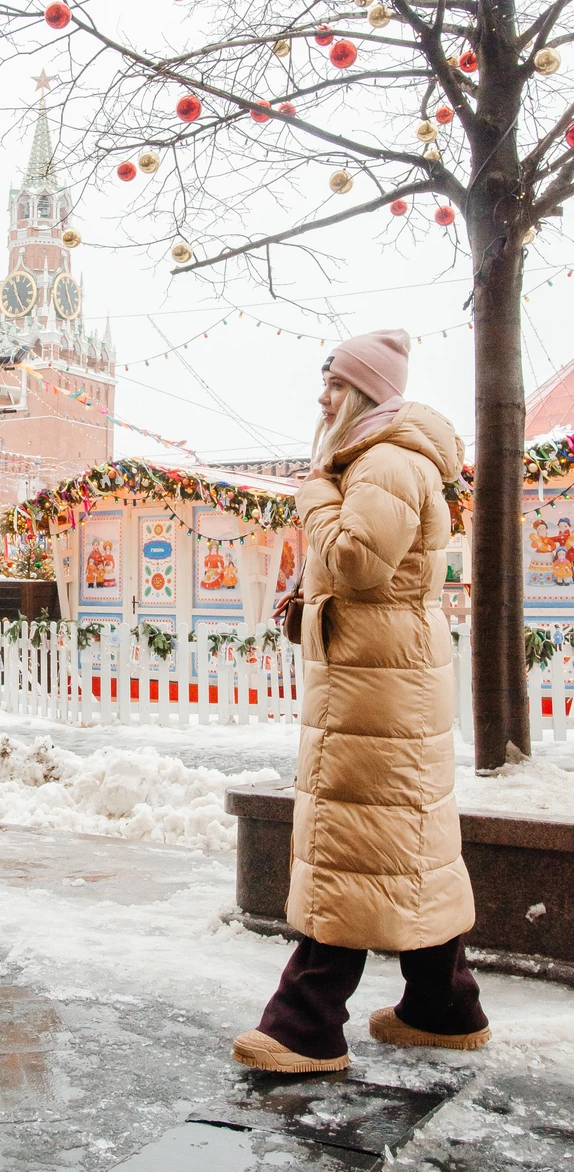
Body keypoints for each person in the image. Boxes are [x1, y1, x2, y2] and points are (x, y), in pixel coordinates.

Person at [233, 329, 490, 1074]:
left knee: (358, 845)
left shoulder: (385, 461)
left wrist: (313, 498)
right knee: (401, 845)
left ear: (368, 395)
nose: (322, 396)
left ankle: (305, 1025)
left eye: (335, 384)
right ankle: (444, 1007)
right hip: (381, 676)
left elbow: (356, 561)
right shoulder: (383, 460)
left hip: (380, 685)